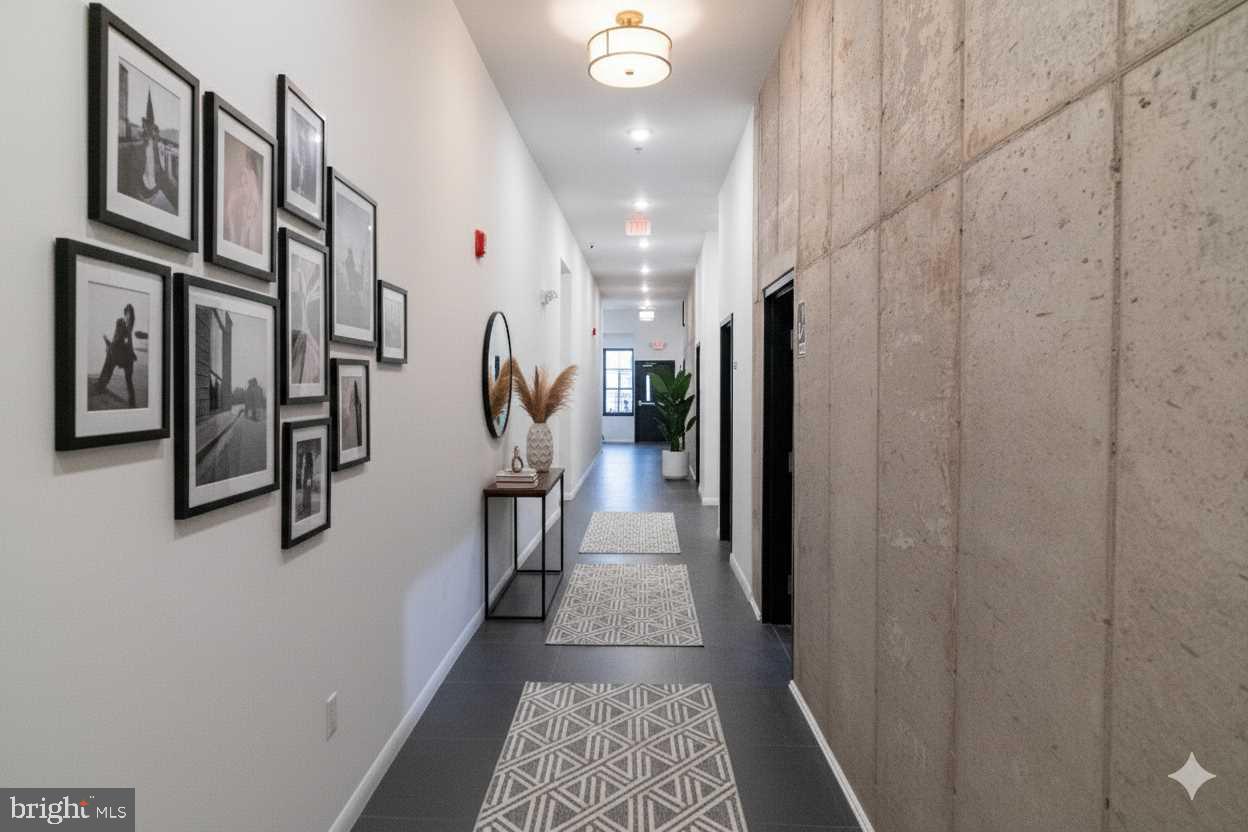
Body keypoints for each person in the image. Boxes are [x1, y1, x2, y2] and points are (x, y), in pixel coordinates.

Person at [94, 304, 139, 407]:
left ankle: (132, 402)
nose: (129, 317)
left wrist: (109, 344)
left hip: (127, 357)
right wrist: (109, 345)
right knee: (109, 365)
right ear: (125, 314)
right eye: (128, 314)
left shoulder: (129, 326)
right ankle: (100, 386)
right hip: (119, 353)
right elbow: (117, 338)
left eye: (131, 316)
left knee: (128, 379)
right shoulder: (120, 322)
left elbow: (125, 341)